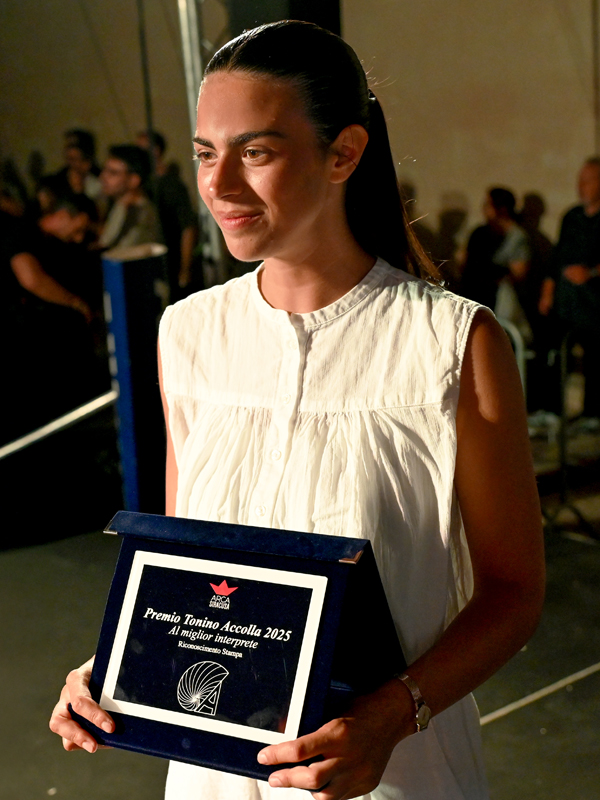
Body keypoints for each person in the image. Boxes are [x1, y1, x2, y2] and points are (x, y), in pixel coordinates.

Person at [50, 21, 545, 800]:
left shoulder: (452, 343)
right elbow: (190, 571)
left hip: (390, 771)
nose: (219, 184)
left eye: (255, 152)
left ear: (343, 153)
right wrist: (115, 665)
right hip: (216, 773)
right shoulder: (189, 333)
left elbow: (514, 592)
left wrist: (390, 715)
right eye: (206, 153)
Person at [539, 158, 600, 419]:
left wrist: (590, 273)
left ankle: (593, 413)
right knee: (551, 347)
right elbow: (557, 258)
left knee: (594, 352)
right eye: (579, 181)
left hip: (593, 300)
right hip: (565, 299)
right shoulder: (572, 217)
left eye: (587, 181)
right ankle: (551, 409)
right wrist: (547, 292)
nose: (581, 186)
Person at [136, 130, 200, 300]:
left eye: (142, 149)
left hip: (171, 262)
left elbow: (188, 226)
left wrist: (185, 268)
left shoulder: (172, 185)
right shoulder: (146, 184)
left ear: (156, 150)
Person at [98, 144, 162, 250]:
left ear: (134, 180)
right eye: (105, 170)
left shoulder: (139, 213)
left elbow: (116, 251)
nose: (103, 177)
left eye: (113, 173)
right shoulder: (121, 204)